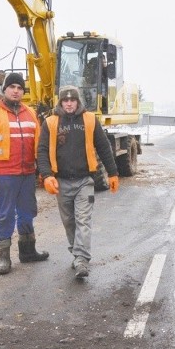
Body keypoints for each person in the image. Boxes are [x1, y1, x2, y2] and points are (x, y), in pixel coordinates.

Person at [36, 85, 119, 278]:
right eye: (65, 100)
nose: (69, 103)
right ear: (60, 102)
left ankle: (82, 260)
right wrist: (47, 175)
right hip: (61, 182)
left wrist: (113, 173)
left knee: (83, 220)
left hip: (84, 181)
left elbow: (103, 147)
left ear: (78, 101)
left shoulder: (90, 120)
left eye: (72, 100)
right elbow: (41, 151)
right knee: (69, 222)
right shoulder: (50, 123)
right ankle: (76, 253)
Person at [0, 72, 49, 275]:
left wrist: (43, 170)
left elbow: (39, 145)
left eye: (20, 88)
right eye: (12, 87)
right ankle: (4, 258)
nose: (16, 91)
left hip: (27, 173)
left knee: (28, 212)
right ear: (5, 89)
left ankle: (28, 251)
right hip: (4, 175)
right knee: (5, 215)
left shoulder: (31, 113)